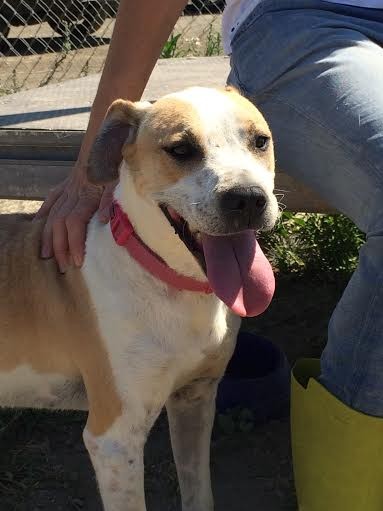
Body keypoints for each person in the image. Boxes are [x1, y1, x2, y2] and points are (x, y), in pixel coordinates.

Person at [36, 1, 383, 508]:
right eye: (182, 151)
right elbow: (111, 442)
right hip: (304, 21)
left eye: (258, 143)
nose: (242, 188)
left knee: (196, 393)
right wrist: (89, 175)